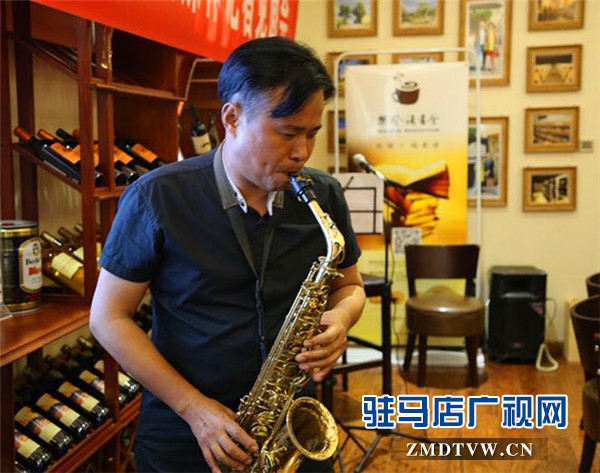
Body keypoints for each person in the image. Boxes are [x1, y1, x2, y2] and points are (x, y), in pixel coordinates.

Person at [89, 36, 366, 473]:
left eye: (312, 133)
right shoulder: (158, 196)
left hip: (288, 427)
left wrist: (342, 318)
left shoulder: (323, 194)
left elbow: (350, 286)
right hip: (185, 438)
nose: (302, 152)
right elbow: (108, 318)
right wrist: (194, 408)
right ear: (232, 118)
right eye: (288, 133)